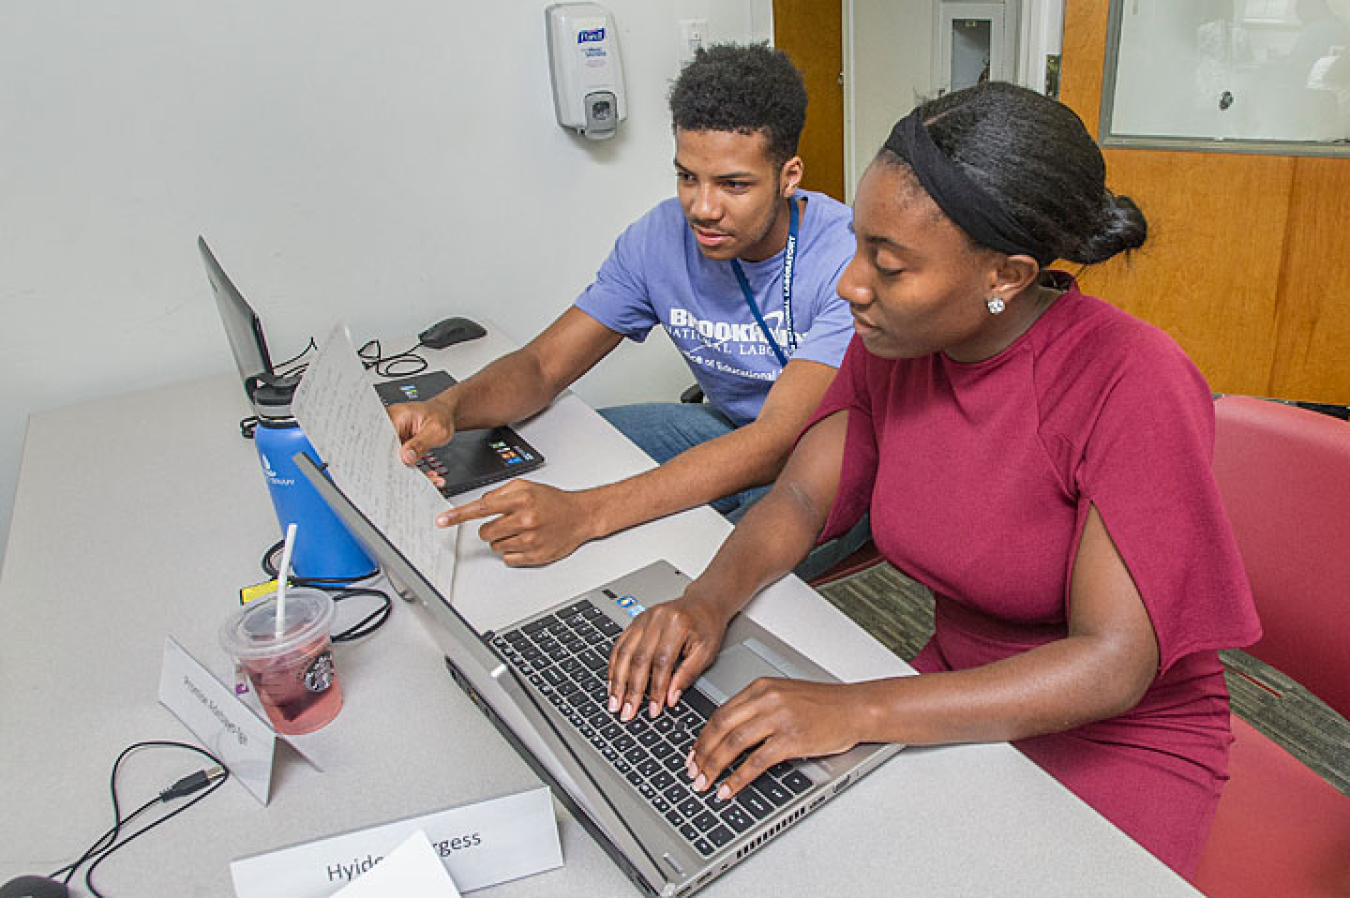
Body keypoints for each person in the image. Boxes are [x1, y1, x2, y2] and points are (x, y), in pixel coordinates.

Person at [606, 81, 1262, 877]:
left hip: (1116, 735)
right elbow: (804, 496)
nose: (851, 285)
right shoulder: (895, 341)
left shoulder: (1131, 378)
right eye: (856, 246)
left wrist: (860, 709)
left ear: (1008, 276)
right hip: (955, 687)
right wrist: (707, 601)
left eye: (888, 264)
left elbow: (1112, 663)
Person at [389, 44, 860, 569]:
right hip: (728, 427)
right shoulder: (658, 237)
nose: (703, 208)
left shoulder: (846, 256)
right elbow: (544, 366)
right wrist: (449, 407)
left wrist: (588, 514)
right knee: (556, 445)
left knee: (698, 559)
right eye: (687, 177)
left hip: (829, 462)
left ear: (788, 177)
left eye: (733, 185)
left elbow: (776, 441)